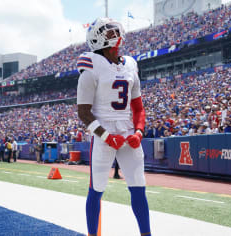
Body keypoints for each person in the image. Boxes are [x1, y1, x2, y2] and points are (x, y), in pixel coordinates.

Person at [77, 17, 151, 236]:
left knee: (139, 188)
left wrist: (138, 131)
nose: (115, 34)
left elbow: (139, 108)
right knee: (96, 189)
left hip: (128, 133)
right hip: (103, 133)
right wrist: (107, 136)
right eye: (108, 31)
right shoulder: (91, 65)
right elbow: (83, 112)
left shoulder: (130, 64)